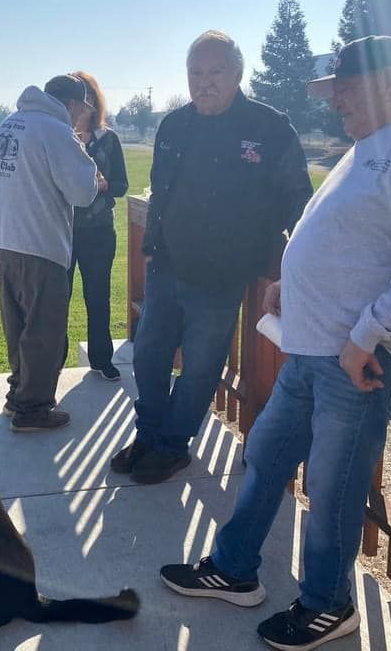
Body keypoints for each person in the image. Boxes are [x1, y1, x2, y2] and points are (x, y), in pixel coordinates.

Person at [159, 35, 391, 651]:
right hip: (317, 349)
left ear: (387, 82)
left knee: (331, 486)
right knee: (268, 452)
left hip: (363, 360)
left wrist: (367, 336)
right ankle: (234, 569)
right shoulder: (364, 150)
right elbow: (344, 241)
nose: (337, 104)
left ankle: (329, 604)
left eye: (345, 90)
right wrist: (289, 284)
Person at [112, 31, 313, 484]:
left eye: (215, 73)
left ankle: (171, 446)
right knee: (148, 355)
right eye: (195, 73)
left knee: (201, 366)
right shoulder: (174, 125)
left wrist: (293, 264)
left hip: (224, 277)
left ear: (238, 74)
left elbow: (300, 202)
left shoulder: (270, 128)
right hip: (167, 266)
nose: (203, 83)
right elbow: (160, 194)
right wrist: (152, 250)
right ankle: (148, 434)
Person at [0, 74, 99, 432]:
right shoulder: (56, 131)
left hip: (5, 239)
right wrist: (87, 162)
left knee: (17, 324)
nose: (81, 117)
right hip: (41, 244)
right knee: (44, 330)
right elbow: (82, 193)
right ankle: (32, 409)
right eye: (82, 109)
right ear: (70, 105)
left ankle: (18, 393)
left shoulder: (10, 124)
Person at [66, 71, 128, 381]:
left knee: (98, 296)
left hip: (100, 232)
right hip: (62, 232)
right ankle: (52, 364)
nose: (79, 107)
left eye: (84, 99)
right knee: (56, 300)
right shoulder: (58, 136)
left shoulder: (109, 139)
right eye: (73, 101)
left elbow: (122, 186)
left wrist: (102, 185)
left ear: (94, 102)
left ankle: (102, 359)